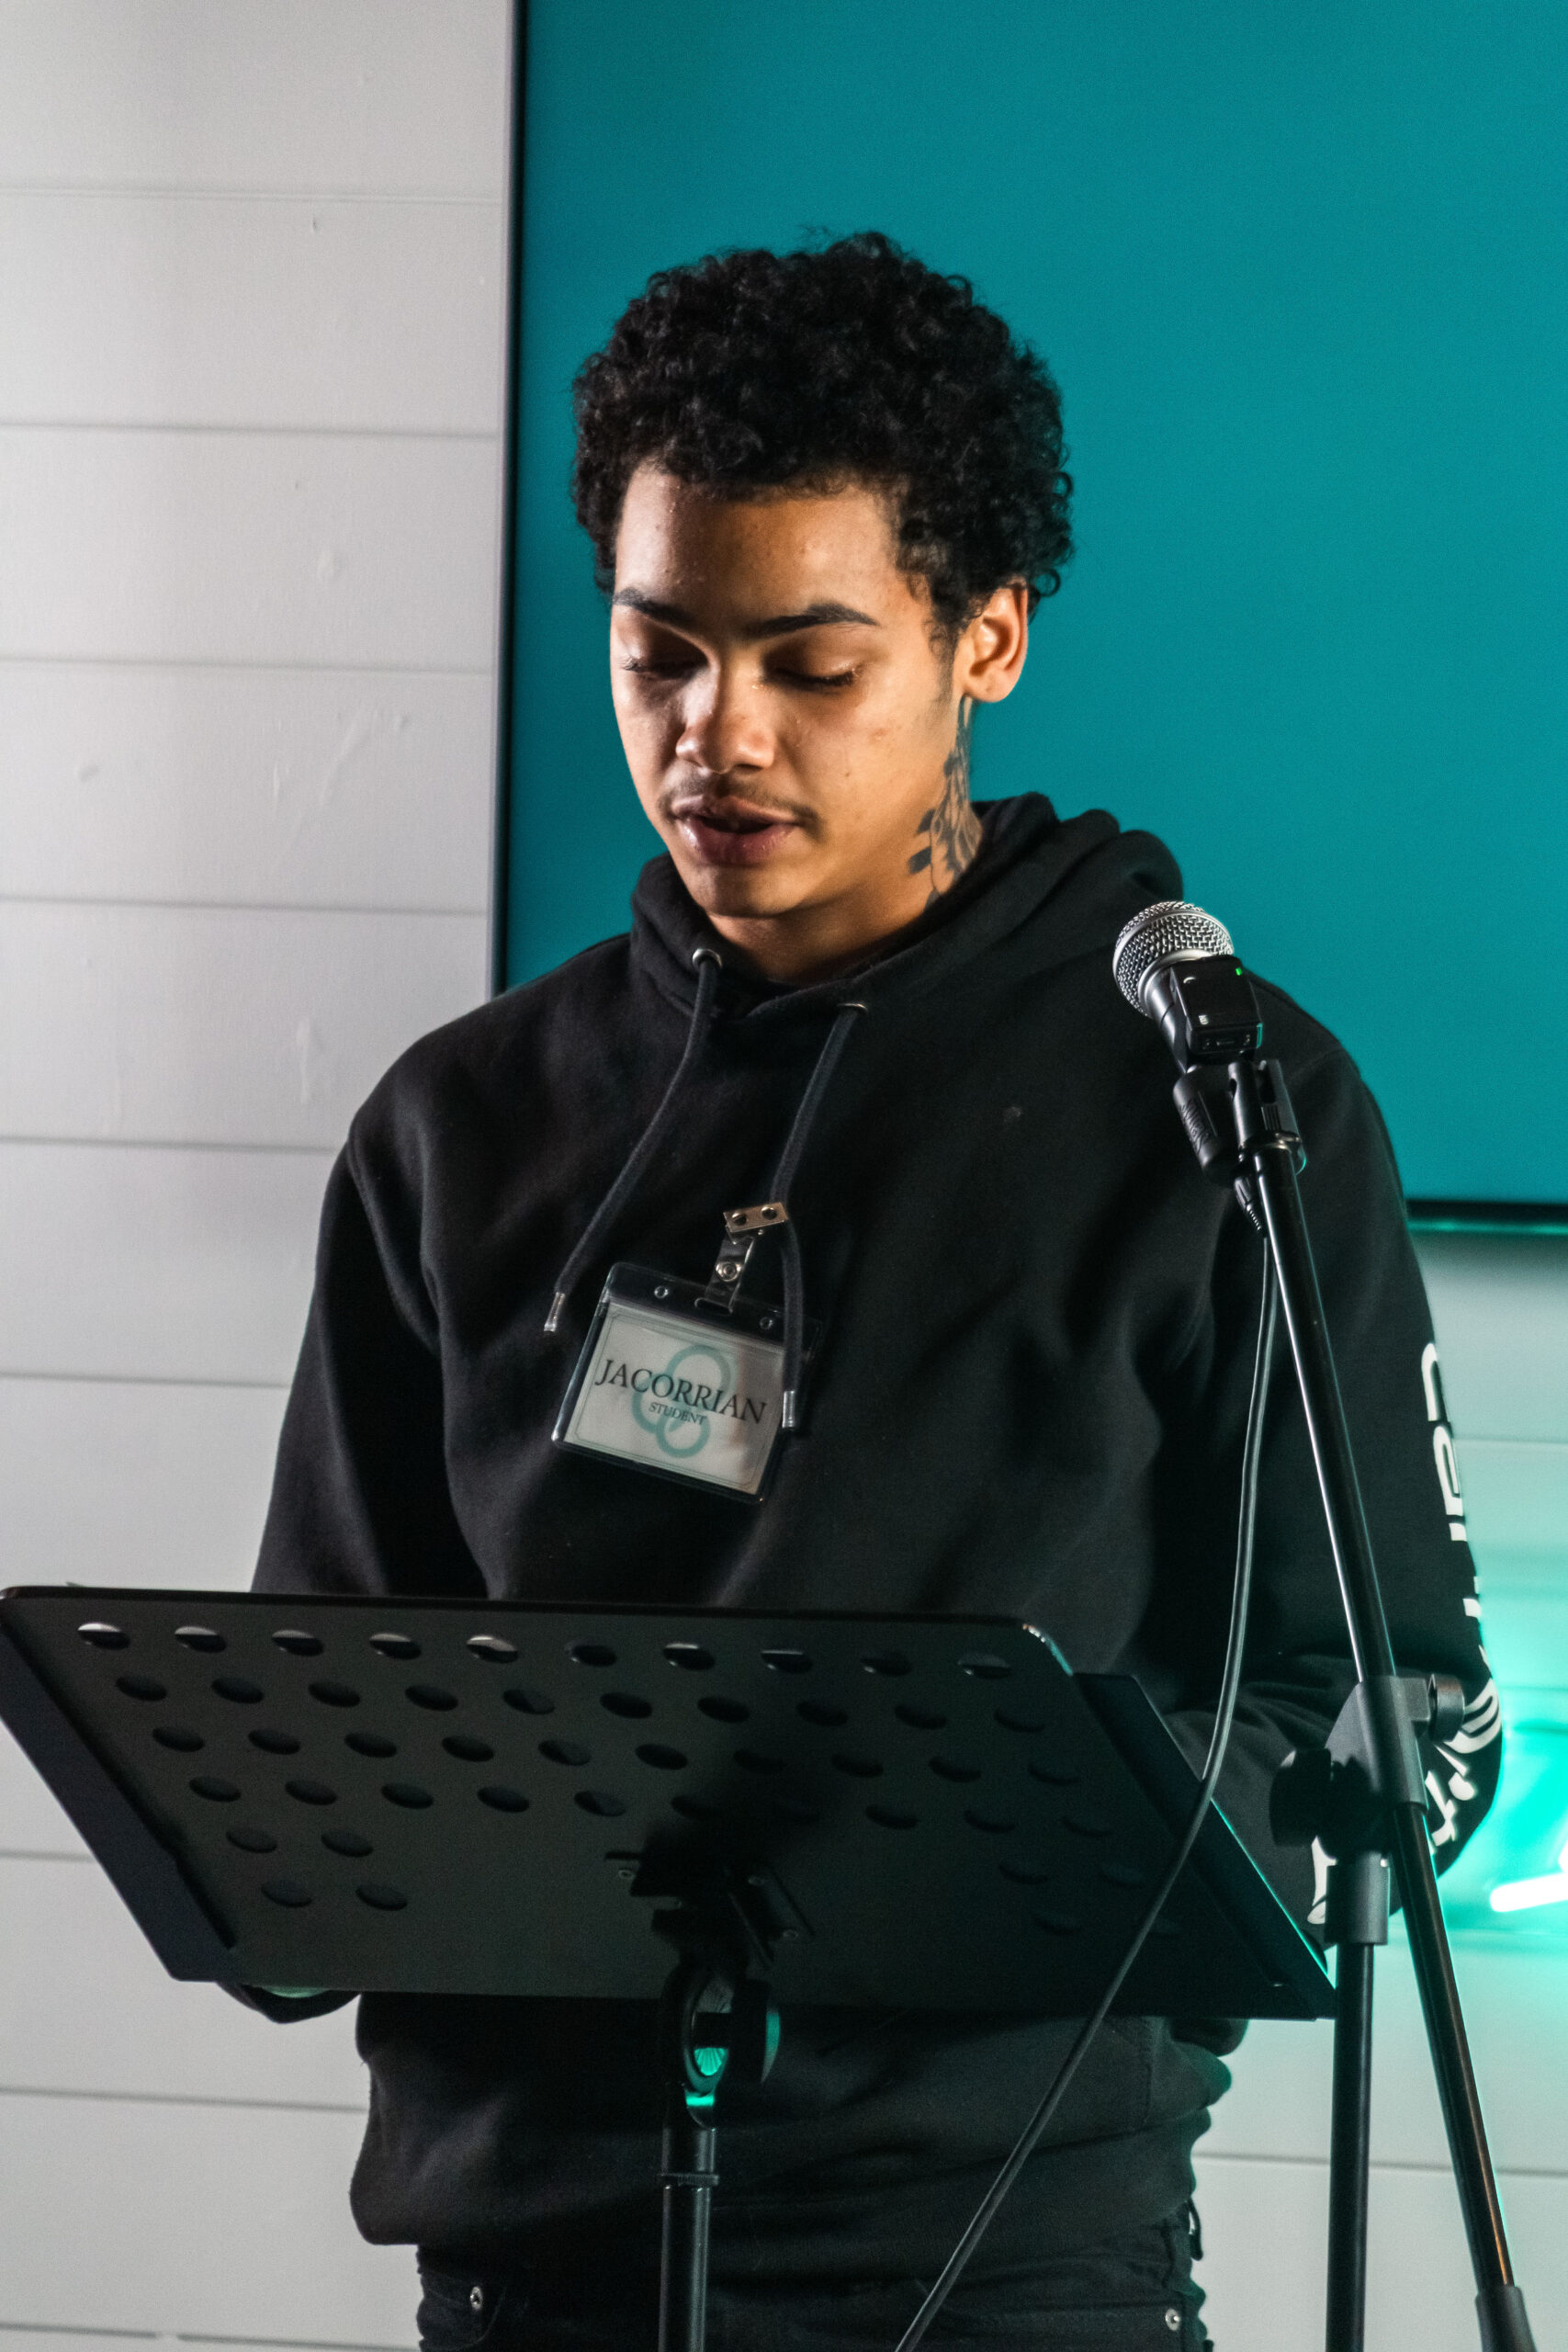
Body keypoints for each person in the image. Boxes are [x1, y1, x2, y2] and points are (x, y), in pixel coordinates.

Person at [252, 233, 1499, 2351]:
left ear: (983, 636)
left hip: (1012, 2268)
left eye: (809, 665)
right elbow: (322, 1739)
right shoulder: (454, 1125)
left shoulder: (1225, 1109)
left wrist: (1010, 1839)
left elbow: (1408, 1723)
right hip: (531, 2271)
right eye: (657, 652)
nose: (712, 734)